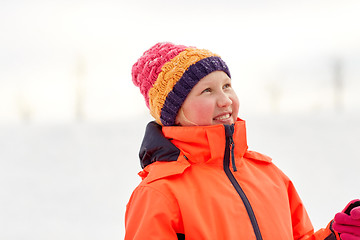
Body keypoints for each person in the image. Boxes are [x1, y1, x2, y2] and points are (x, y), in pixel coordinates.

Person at [125, 42, 360, 239]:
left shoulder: (270, 176)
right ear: (174, 111)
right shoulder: (159, 193)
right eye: (207, 91)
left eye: (227, 86)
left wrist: (335, 236)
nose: (225, 100)